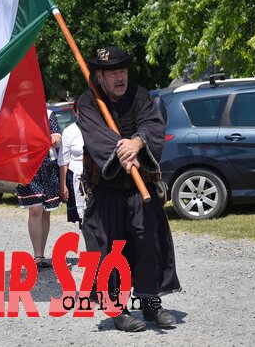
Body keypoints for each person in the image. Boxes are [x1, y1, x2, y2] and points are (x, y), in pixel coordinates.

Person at [78, 46, 181, 332]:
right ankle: (118, 309)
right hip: (107, 188)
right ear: (99, 76)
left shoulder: (141, 96)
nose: (120, 78)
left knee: (149, 242)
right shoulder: (89, 101)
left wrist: (137, 142)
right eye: (113, 73)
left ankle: (149, 302)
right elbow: (97, 137)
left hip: (140, 187)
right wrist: (121, 150)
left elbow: (153, 126)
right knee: (110, 250)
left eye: (123, 71)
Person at [16, 108, 61, 269]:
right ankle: (37, 255)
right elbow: (12, 143)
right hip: (27, 166)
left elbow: (56, 138)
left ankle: (41, 254)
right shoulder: (19, 116)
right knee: (35, 210)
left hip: (48, 166)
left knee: (46, 212)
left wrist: (39, 141)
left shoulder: (48, 114)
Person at [58, 102, 85, 226]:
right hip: (76, 176)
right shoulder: (69, 131)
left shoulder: (98, 128)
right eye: (80, 110)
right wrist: (63, 185)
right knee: (83, 218)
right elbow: (64, 159)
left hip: (96, 176)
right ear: (75, 112)